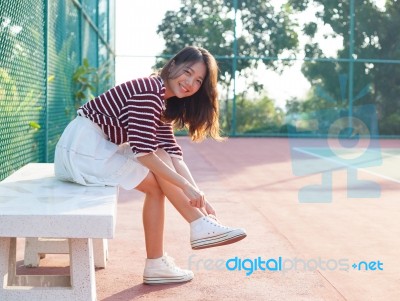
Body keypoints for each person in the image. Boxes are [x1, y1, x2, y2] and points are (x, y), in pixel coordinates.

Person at [54, 46, 246, 284]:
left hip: (86, 148)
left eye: (198, 81)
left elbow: (174, 155)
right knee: (156, 182)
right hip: (83, 150)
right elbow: (144, 154)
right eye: (187, 72)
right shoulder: (149, 91)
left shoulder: (162, 100)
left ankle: (196, 226)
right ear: (173, 65)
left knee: (162, 164)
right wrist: (187, 188)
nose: (190, 83)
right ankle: (174, 247)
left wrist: (201, 200)